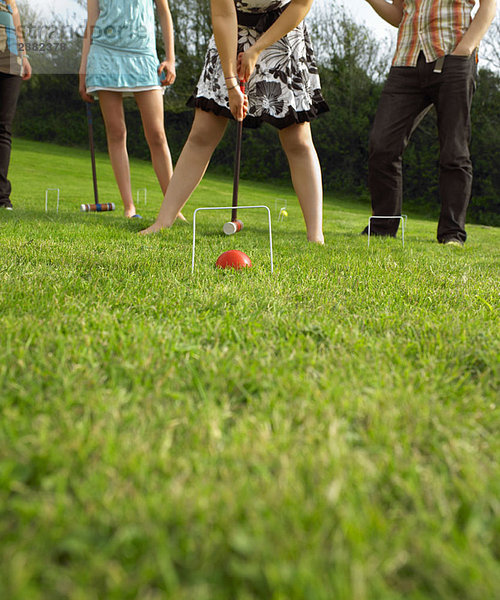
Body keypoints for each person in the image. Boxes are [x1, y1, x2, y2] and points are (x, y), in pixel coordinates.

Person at [140, 0, 328, 243]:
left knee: (298, 139)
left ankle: (316, 236)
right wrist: (231, 84)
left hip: (282, 35)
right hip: (230, 35)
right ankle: (163, 221)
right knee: (202, 133)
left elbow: (301, 4)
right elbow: (222, 16)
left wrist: (256, 50)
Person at [362, 0, 497, 246]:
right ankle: (382, 227)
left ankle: (452, 233)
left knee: (454, 152)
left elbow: (488, 6)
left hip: (453, 58)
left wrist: (465, 49)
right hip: (407, 61)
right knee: (382, 145)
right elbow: (399, 15)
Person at [79, 0, 184, 220]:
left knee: (157, 134)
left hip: (143, 56)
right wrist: (83, 69)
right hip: (104, 56)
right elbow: (92, 20)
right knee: (116, 132)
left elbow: (164, 13)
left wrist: (171, 59)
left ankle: (173, 210)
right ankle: (129, 207)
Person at [0, 0, 31, 210]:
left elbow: (16, 16)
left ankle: (2, 198)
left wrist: (24, 55)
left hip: (10, 59)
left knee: (3, 129)